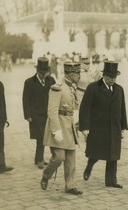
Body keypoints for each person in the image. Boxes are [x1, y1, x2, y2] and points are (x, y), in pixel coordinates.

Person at [79, 61, 128, 188]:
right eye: (110, 77)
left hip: (114, 127)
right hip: (98, 127)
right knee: (96, 152)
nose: (112, 79)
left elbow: (122, 109)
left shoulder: (119, 89)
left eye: (114, 77)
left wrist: (123, 127)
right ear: (104, 76)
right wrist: (85, 127)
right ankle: (89, 165)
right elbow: (85, 109)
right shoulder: (93, 88)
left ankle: (111, 181)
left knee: (113, 154)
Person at [40, 62, 83, 195]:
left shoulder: (73, 88)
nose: (79, 76)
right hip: (58, 126)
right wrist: (56, 130)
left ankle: (69, 185)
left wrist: (78, 124)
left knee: (70, 157)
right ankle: (46, 175)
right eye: (77, 74)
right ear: (71, 74)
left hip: (69, 126)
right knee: (59, 157)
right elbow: (51, 111)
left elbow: (74, 108)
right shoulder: (57, 88)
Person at [22, 57, 56, 169]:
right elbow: (25, 100)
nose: (43, 75)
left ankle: (39, 159)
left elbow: (55, 96)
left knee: (46, 137)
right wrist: (28, 115)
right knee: (40, 137)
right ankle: (40, 160)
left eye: (45, 72)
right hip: (35, 115)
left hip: (48, 114)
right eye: (41, 72)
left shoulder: (51, 81)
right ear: (37, 71)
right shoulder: (29, 82)